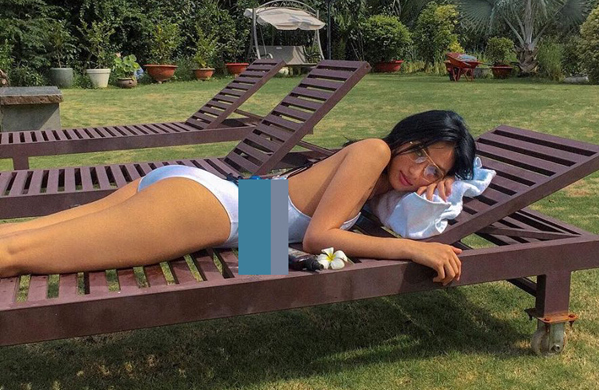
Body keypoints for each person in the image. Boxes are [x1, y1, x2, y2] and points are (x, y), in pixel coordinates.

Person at [0, 110, 475, 285]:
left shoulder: (379, 182)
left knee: (18, 237)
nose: (419, 172)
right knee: (18, 255)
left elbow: (401, 209)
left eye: (433, 170)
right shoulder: (374, 151)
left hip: (214, 197)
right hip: (214, 210)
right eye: (419, 154)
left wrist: (440, 188)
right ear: (404, 136)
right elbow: (319, 238)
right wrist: (415, 249)